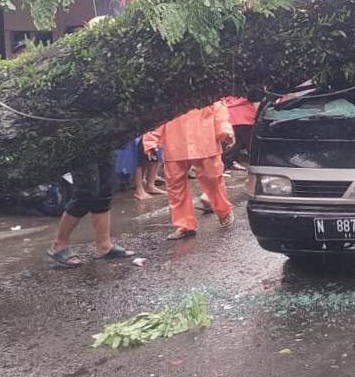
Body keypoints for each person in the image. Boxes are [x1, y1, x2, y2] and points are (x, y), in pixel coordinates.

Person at [144, 101, 236, 240]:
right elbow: (158, 115)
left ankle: (224, 211)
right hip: (176, 143)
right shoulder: (169, 93)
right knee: (175, 187)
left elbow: (219, 110)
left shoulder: (205, 90)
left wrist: (225, 131)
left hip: (204, 141)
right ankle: (184, 225)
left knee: (213, 180)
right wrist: (150, 140)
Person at [46, 156, 136, 266]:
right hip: (81, 145)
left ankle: (104, 245)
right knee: (86, 191)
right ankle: (59, 244)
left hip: (103, 143)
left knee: (105, 188)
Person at [221, 96, 256, 169]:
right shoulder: (244, 92)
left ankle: (225, 161)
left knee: (239, 143)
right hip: (245, 118)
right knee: (250, 144)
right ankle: (256, 164)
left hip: (234, 117)